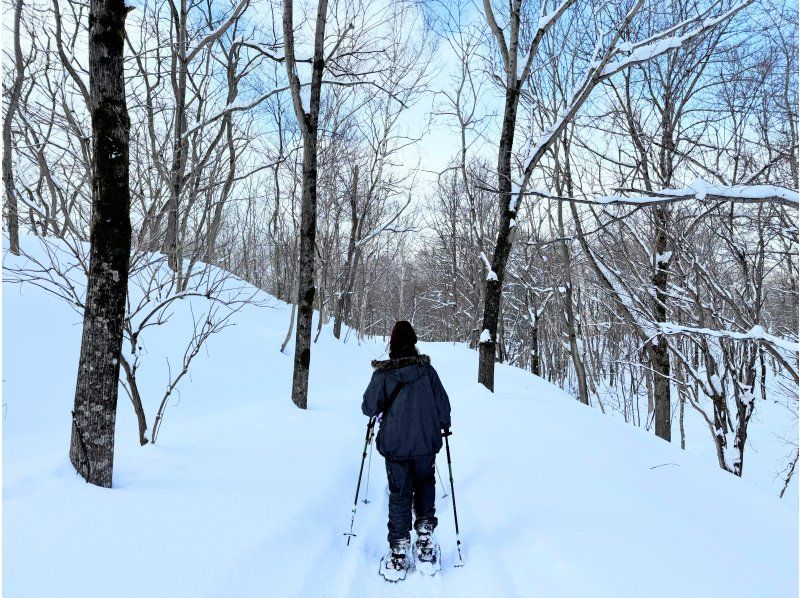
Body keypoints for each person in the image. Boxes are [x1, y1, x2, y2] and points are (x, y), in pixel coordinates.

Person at [362, 320, 451, 579]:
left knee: (399, 493)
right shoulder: (427, 371)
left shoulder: (383, 374)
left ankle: (399, 550)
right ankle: (424, 541)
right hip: (426, 443)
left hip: (396, 445)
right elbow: (442, 404)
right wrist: (444, 425)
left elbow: (368, 407)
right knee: (425, 484)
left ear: (392, 344)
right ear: (413, 342)